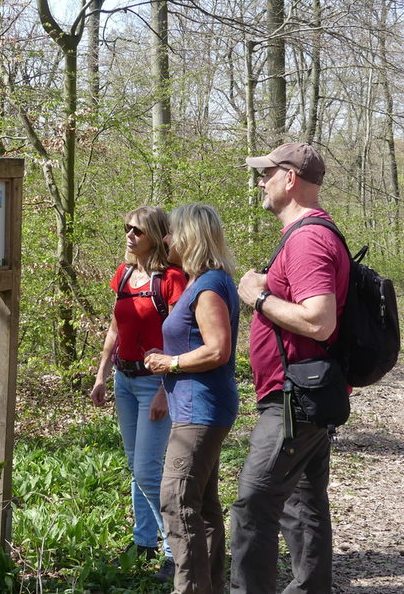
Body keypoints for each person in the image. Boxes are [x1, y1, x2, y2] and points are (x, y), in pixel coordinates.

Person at [230, 142, 350, 593]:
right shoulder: (310, 235)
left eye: (267, 173)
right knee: (303, 507)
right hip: (304, 393)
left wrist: (256, 296)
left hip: (293, 400)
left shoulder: (308, 239)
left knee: (253, 506)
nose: (261, 181)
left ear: (290, 179)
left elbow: (319, 320)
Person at [144, 203, 240, 594]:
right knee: (202, 508)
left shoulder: (208, 286)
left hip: (200, 411)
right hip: (200, 408)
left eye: (172, 233)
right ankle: (211, 585)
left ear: (190, 237)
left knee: (177, 502)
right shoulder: (205, 281)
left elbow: (218, 349)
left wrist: (172, 362)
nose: (166, 239)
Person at [90, 206, 187, 577]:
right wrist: (101, 375)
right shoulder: (124, 273)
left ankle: (174, 551)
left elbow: (181, 335)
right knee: (136, 466)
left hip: (154, 384)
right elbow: (115, 329)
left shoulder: (172, 279)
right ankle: (143, 541)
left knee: (148, 469)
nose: (129, 235)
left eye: (138, 231)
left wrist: (166, 388)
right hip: (124, 380)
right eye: (126, 227)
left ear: (155, 235)